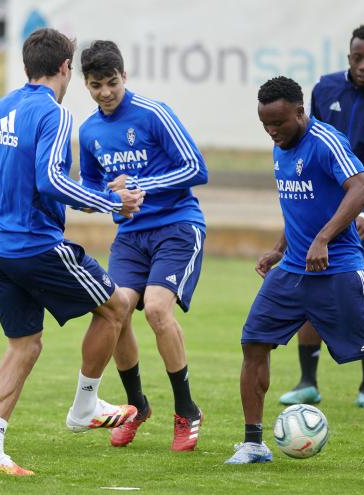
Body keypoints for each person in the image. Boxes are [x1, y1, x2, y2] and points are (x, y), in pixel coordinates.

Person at [0, 28, 145, 476]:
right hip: (34, 247)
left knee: (24, 345)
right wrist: (113, 202)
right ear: (64, 68)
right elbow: (49, 182)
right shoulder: (54, 115)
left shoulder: (0, 108)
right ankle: (85, 408)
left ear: (26, 66)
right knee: (115, 308)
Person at [225, 76, 364, 472]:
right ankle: (253, 442)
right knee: (253, 343)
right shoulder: (279, 146)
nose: (272, 132)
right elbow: (300, 204)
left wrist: (323, 239)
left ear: (301, 113)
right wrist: (278, 248)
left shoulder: (325, 141)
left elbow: (360, 189)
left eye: (279, 123)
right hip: (291, 271)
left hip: (338, 269)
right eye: (265, 125)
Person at [278, 24, 364, 411]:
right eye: (357, 57)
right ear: (349, 57)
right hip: (321, 212)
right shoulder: (325, 90)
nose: (363, 65)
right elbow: (307, 138)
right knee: (310, 283)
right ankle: (308, 381)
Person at [77, 41, 208, 451]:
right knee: (114, 311)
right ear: (86, 84)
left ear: (124, 76)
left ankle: (187, 411)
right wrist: (105, 196)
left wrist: (138, 186)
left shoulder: (154, 114)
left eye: (111, 83)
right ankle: (136, 406)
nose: (105, 93)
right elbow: (94, 186)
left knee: (154, 308)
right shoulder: (88, 130)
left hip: (177, 227)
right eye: (96, 85)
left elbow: (196, 168)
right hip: (131, 236)